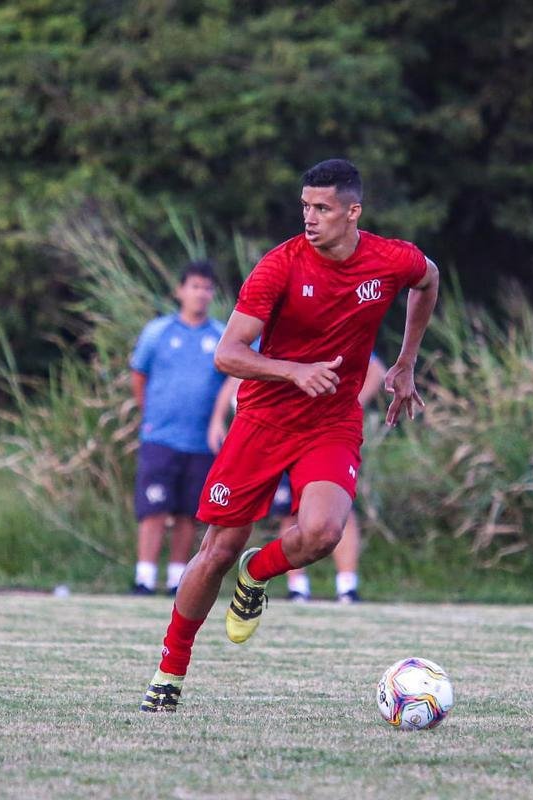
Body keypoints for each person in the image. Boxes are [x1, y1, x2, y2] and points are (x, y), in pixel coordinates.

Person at [140, 158, 439, 711]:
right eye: (305, 206)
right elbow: (229, 354)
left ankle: (259, 570)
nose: (310, 217)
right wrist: (293, 371)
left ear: (353, 212)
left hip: (331, 419)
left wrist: (405, 363)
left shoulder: (388, 258)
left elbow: (428, 278)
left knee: (323, 532)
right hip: (264, 419)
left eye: (322, 208)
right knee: (218, 549)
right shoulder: (279, 266)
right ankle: (170, 671)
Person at [210, 354, 386, 603]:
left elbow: (376, 367)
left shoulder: (339, 332)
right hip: (281, 435)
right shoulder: (273, 334)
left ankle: (347, 585)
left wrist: (353, 401)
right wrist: (221, 418)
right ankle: (297, 586)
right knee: (290, 512)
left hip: (330, 437)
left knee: (339, 513)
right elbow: (234, 368)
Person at [129, 261, 228, 596]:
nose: (200, 294)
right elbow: (138, 375)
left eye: (207, 288)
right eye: (195, 286)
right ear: (180, 291)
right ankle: (144, 576)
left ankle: (176, 578)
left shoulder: (220, 335)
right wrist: (151, 414)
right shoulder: (158, 332)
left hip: (201, 442)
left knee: (189, 512)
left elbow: (235, 379)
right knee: (154, 508)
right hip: (160, 436)